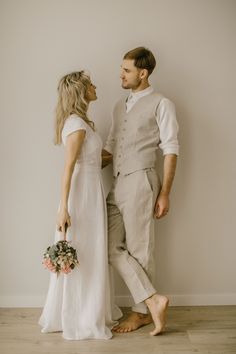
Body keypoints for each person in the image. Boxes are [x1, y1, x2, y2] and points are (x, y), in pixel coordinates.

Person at [38, 71, 122, 340]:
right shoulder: (75, 124)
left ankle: (91, 309)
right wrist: (63, 208)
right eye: (90, 84)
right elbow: (68, 168)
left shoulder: (85, 123)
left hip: (91, 190)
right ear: (81, 91)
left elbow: (96, 161)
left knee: (91, 250)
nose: (96, 86)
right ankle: (80, 315)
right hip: (80, 195)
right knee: (83, 251)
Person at [102, 47, 179, 335]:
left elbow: (171, 149)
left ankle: (141, 313)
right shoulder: (118, 106)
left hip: (142, 180)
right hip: (118, 181)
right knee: (110, 247)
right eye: (121, 68)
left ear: (143, 73)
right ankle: (153, 299)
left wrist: (165, 193)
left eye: (126, 70)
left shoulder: (162, 103)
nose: (120, 74)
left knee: (140, 249)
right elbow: (110, 146)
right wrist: (79, 162)